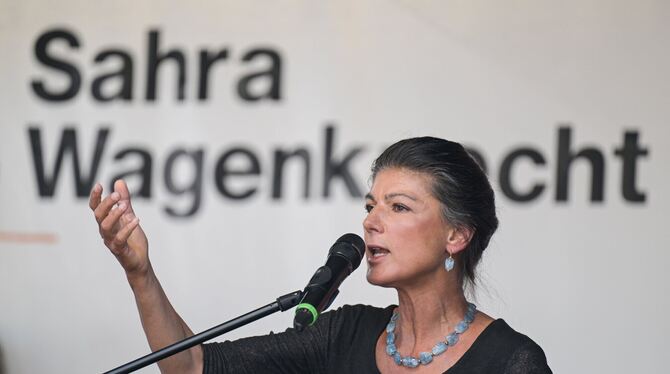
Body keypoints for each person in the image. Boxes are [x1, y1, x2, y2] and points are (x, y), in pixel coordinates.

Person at [90, 137, 552, 374]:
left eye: (399, 207)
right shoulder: (343, 334)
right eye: (370, 205)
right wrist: (140, 273)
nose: (372, 221)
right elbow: (191, 367)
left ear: (457, 235)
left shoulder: (511, 362)